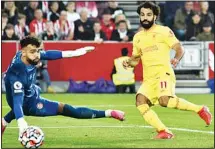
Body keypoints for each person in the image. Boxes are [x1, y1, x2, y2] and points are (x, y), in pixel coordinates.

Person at [1, 36, 125, 141]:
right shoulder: (16, 73)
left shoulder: (27, 55)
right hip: (28, 103)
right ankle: (109, 113)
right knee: (70, 110)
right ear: (23, 52)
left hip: (30, 92)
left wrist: (75, 53)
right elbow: (17, 102)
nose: (37, 55)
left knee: (38, 92)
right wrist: (22, 125)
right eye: (33, 52)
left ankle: (4, 122)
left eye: (38, 51)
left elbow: (48, 54)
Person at [123, 2, 212, 139]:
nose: (145, 18)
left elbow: (179, 48)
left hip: (163, 73)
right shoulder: (137, 37)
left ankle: (200, 109)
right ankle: (164, 131)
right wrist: (129, 62)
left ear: (155, 16)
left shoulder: (164, 31)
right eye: (142, 15)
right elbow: (135, 59)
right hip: (149, 78)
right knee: (140, 101)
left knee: (164, 101)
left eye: (148, 14)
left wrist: (176, 58)